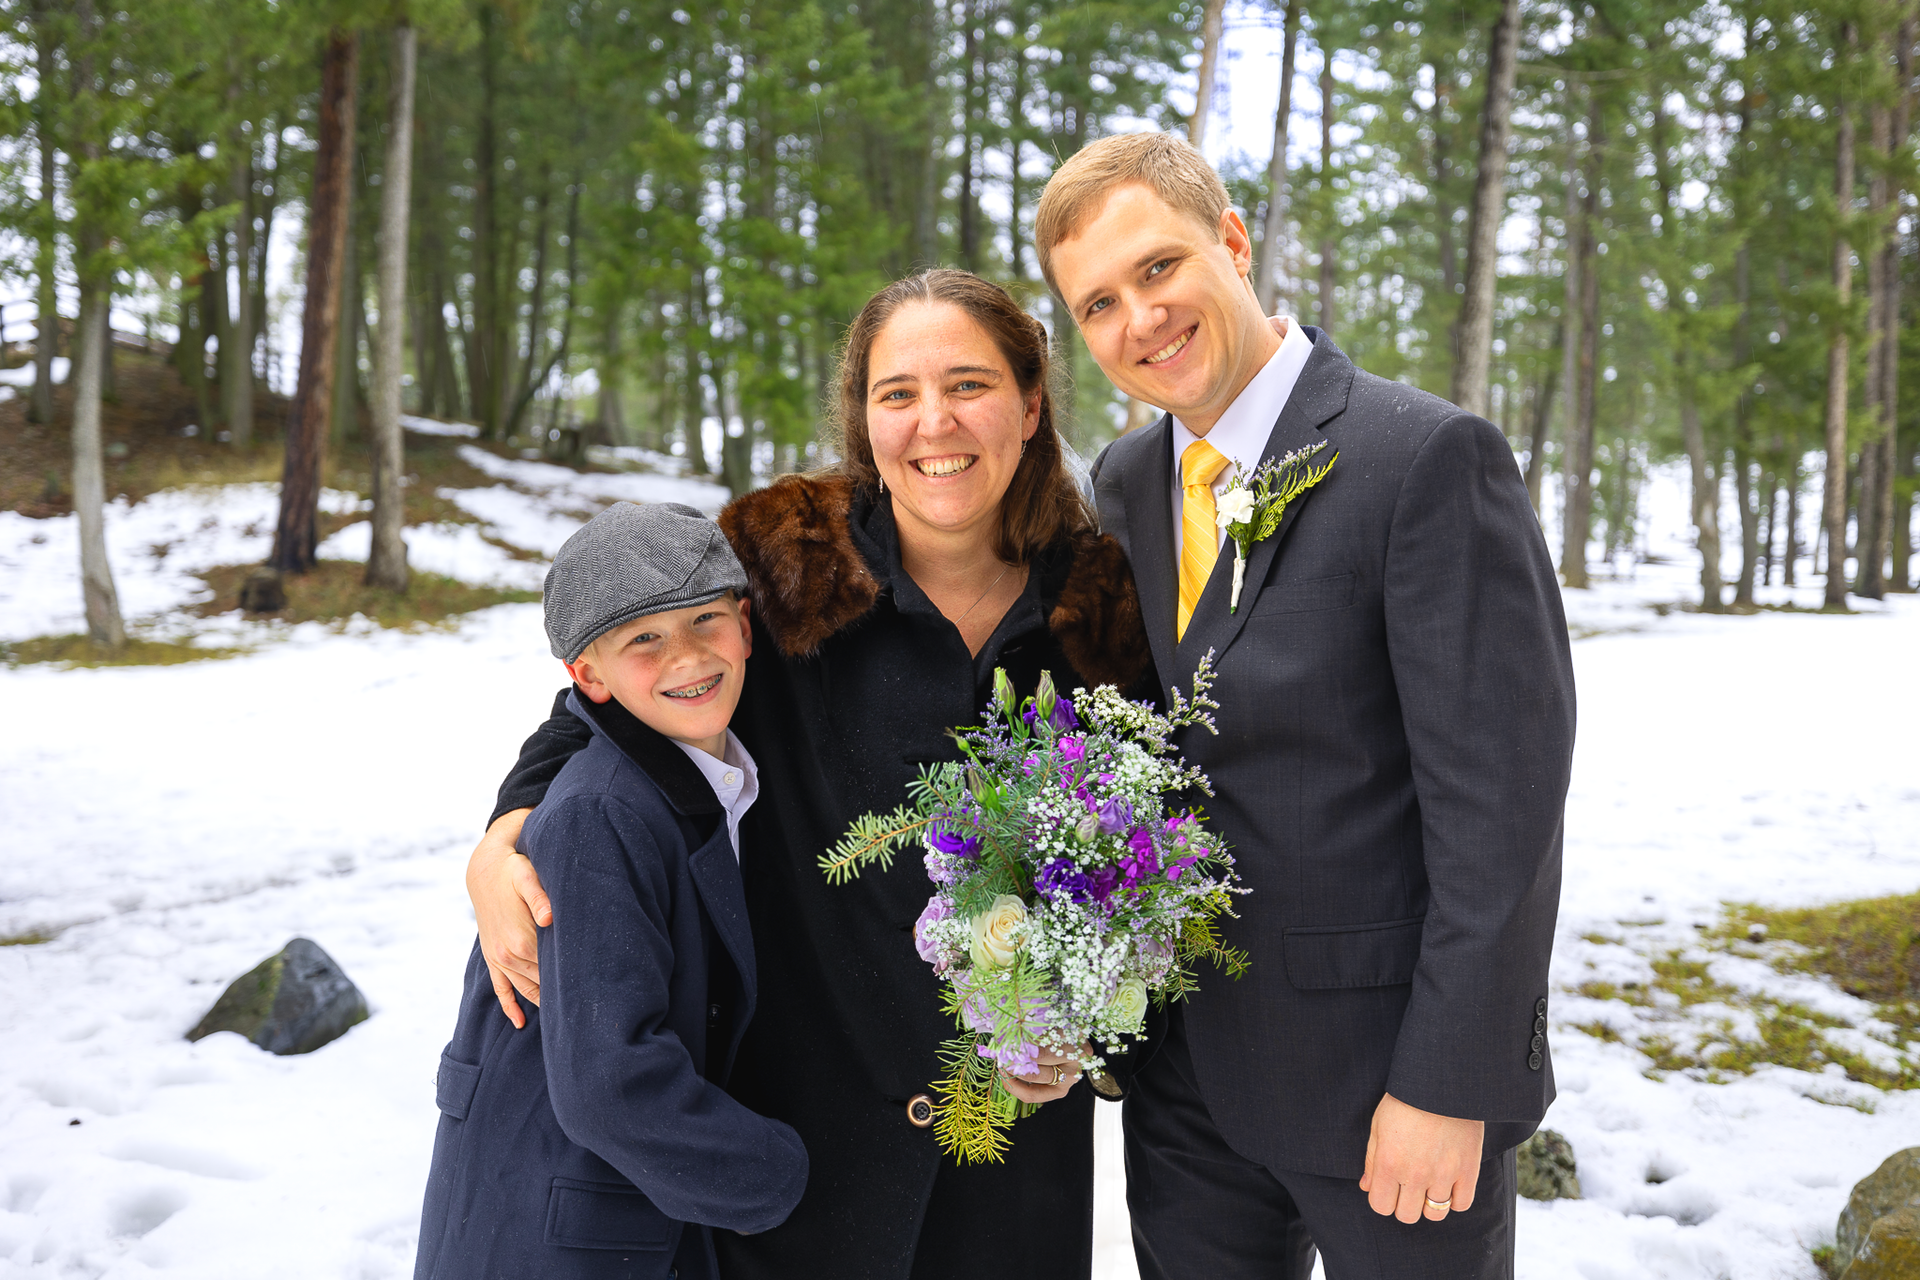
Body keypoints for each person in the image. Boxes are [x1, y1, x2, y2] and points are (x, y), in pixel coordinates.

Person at [463, 269, 1154, 1279]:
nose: (934, 423)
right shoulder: (785, 558)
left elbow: (1145, 853)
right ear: (862, 416)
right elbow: (617, 697)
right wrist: (504, 831)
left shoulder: (1104, 608)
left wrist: (1086, 1025)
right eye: (898, 393)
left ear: (1031, 400)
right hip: (803, 1157)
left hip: (1010, 1159)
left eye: (968, 384)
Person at [1029, 131, 1578, 1279]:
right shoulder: (1125, 488)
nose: (1140, 318)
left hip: (1387, 1088)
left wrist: (1448, 1080)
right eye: (1098, 304)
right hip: (1185, 1092)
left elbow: (1502, 815)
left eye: (1160, 267)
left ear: (1232, 240)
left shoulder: (1424, 458)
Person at [413, 501, 807, 1280]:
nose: (688, 658)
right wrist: (778, 1173)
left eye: (705, 620)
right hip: (555, 1231)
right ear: (587, 676)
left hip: (609, 1213)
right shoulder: (602, 815)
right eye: (644, 641)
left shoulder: (710, 769)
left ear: (747, 624)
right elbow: (609, 1084)